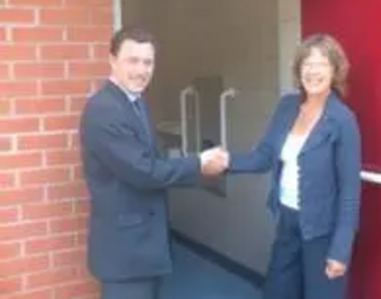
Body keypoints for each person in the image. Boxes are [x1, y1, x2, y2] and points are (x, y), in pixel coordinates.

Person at [209, 33, 362, 299]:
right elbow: (265, 155)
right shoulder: (287, 106)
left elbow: (350, 192)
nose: (313, 71)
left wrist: (341, 250)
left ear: (335, 70)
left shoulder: (343, 120)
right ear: (298, 70)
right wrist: (227, 161)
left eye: (321, 64)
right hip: (288, 223)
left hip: (322, 231)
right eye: (307, 64)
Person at [79, 26, 224, 299]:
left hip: (143, 247)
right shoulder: (104, 109)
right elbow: (144, 171)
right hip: (125, 253)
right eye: (132, 60)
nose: (142, 70)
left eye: (148, 62)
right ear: (112, 60)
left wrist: (199, 167)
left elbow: (152, 161)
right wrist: (198, 163)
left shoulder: (135, 102)